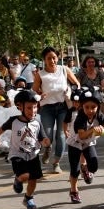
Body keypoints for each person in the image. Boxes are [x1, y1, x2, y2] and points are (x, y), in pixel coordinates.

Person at [0, 89, 49, 209]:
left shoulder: (38, 121)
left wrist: (45, 141)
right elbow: (2, 128)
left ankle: (28, 198)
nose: (33, 111)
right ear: (20, 107)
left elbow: (42, 136)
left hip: (33, 154)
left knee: (33, 179)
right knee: (25, 175)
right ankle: (18, 180)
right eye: (29, 108)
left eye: (35, 107)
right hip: (17, 154)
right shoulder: (13, 121)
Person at [32, 46, 80, 175]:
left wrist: (72, 92)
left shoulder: (64, 70)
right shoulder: (40, 74)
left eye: (54, 58)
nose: (52, 61)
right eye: (49, 58)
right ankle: (47, 149)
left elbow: (76, 84)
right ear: (44, 60)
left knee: (61, 135)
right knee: (47, 135)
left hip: (63, 107)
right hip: (47, 108)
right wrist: (39, 95)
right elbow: (34, 90)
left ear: (57, 58)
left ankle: (56, 163)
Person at [67, 88, 104, 204]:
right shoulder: (80, 118)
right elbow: (82, 135)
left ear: (98, 107)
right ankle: (74, 190)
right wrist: (93, 130)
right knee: (74, 170)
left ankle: (85, 168)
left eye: (93, 107)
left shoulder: (98, 114)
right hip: (75, 143)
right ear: (81, 106)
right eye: (87, 107)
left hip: (87, 143)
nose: (90, 110)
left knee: (93, 166)